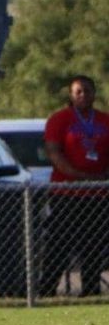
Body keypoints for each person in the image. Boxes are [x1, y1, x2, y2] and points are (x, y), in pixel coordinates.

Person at [40, 75, 109, 297]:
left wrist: (101, 177)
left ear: (94, 94)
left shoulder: (104, 120)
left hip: (98, 194)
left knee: (94, 244)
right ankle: (46, 291)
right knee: (59, 244)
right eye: (78, 91)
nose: (83, 95)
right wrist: (79, 176)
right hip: (66, 193)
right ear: (71, 95)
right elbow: (54, 152)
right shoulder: (60, 119)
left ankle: (90, 291)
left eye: (87, 91)